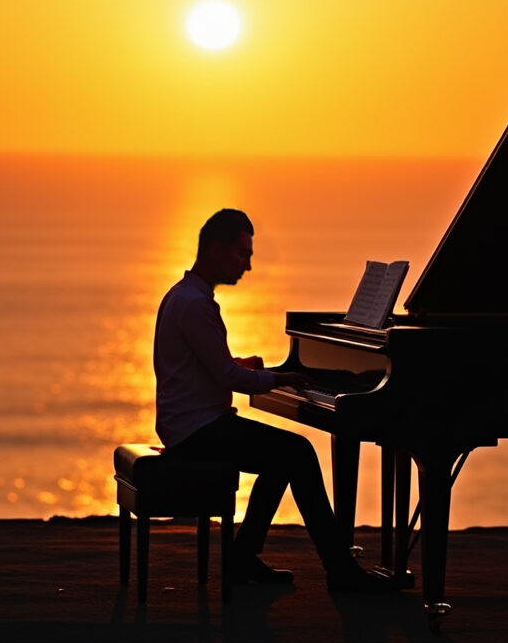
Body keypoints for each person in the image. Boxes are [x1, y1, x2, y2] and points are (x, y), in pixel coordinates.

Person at [153, 208, 394, 592]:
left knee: (283, 457)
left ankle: (243, 558)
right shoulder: (197, 305)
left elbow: (204, 366)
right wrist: (284, 377)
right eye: (242, 253)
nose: (247, 265)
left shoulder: (182, 296)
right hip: (195, 430)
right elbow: (232, 379)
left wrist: (246, 366)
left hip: (187, 422)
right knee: (296, 452)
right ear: (215, 249)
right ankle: (340, 570)